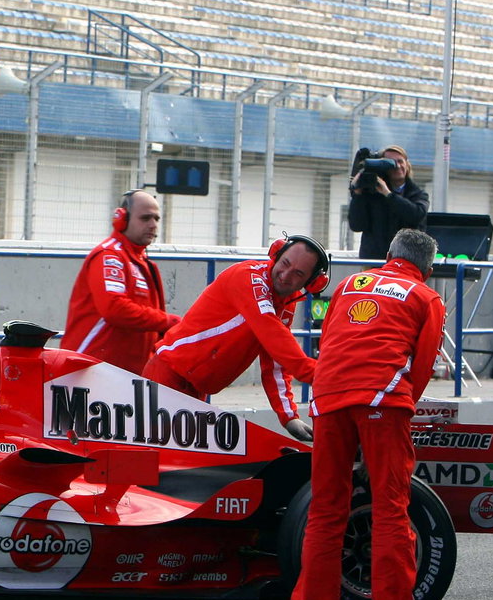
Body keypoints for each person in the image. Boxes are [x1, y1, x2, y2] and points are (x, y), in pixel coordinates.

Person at [291, 228, 446, 600]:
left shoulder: (348, 284)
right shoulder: (425, 297)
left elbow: (329, 340)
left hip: (327, 395)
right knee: (391, 507)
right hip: (382, 397)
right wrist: (399, 406)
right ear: (428, 269)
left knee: (325, 508)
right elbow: (422, 366)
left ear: (388, 254)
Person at [140, 235, 327, 442]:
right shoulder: (248, 276)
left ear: (311, 283)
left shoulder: (287, 303)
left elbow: (275, 362)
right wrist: (323, 376)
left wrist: (289, 417)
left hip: (195, 388)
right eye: (285, 263)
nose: (285, 275)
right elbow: (273, 334)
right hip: (167, 376)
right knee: (158, 457)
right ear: (276, 254)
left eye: (298, 273)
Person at [62, 189, 179, 374]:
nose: (153, 225)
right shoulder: (109, 256)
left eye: (156, 219)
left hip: (123, 374)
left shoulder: (145, 264)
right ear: (122, 219)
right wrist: (169, 322)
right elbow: (115, 308)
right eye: (145, 218)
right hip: (91, 370)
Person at [348, 144, 428, 260]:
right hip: (374, 260)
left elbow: (416, 215)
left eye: (400, 161)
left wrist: (388, 194)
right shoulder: (372, 194)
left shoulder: (418, 194)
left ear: (407, 165)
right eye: (391, 163)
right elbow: (356, 225)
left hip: (407, 260)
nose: (397, 166)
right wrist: (358, 194)